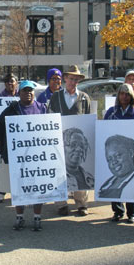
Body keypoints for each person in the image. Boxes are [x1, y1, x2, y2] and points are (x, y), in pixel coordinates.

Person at [0, 80, 47, 231]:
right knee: (19, 189)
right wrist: (2, 150)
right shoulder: (11, 109)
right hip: (18, 159)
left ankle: (37, 217)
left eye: (31, 90)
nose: (28, 93)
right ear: (19, 93)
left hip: (38, 158)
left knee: (38, 188)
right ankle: (20, 217)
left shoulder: (42, 108)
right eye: (25, 90)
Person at [48, 65, 91, 216]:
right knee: (59, 172)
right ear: (65, 79)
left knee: (79, 170)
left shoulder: (84, 98)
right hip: (59, 141)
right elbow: (49, 118)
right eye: (71, 79)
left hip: (77, 143)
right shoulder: (55, 97)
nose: (73, 82)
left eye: (76, 79)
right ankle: (61, 204)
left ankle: (82, 203)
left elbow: (88, 121)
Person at [101, 83, 134, 224]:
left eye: (127, 94)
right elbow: (104, 129)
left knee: (132, 183)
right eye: (121, 93)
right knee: (116, 182)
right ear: (118, 95)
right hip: (115, 153)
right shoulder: (111, 112)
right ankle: (117, 212)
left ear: (131, 96)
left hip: (128, 155)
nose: (124, 96)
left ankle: (132, 212)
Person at [0, 73, 19, 202]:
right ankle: (1, 191)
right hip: (5, 137)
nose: (10, 84)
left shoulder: (22, 97)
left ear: (16, 83)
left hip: (19, 137)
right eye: (8, 82)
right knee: (3, 166)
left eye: (12, 81)